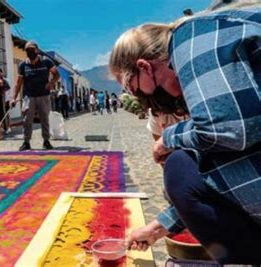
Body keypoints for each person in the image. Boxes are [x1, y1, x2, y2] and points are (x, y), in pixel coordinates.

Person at [109, 3, 261, 264]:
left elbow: (227, 130)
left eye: (133, 89)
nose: (141, 99)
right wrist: (158, 228)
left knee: (180, 165)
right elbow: (215, 170)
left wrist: (167, 140)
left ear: (145, 67)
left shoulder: (190, 40)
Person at [12, 41, 60, 151]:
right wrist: (13, 98)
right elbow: (18, 83)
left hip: (43, 95)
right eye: (27, 50)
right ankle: (26, 142)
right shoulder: (23, 65)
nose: (29, 51)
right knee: (27, 120)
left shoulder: (46, 62)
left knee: (44, 118)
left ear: (37, 50)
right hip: (29, 96)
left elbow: (57, 74)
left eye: (31, 49)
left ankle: (46, 141)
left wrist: (51, 83)